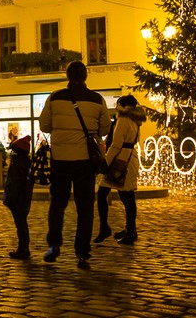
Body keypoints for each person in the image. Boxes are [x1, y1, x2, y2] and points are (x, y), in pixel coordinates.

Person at [38, 60, 111, 269]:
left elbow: (45, 125)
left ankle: (53, 245)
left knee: (57, 204)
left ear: (68, 76)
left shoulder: (55, 97)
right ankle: (82, 253)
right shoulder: (97, 99)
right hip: (85, 161)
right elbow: (105, 128)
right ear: (85, 76)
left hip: (60, 159)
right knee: (85, 207)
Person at [95, 95, 145, 245]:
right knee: (126, 196)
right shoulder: (136, 120)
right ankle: (130, 229)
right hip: (129, 158)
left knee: (108, 194)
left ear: (121, 105)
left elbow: (116, 144)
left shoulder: (123, 119)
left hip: (120, 160)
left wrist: (104, 163)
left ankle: (124, 230)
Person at [3, 134, 34, 259]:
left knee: (20, 224)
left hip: (18, 199)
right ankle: (23, 248)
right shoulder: (25, 163)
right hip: (23, 199)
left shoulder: (17, 165)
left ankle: (23, 249)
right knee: (22, 223)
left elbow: (14, 184)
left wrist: (9, 199)